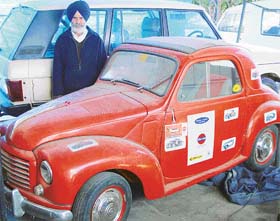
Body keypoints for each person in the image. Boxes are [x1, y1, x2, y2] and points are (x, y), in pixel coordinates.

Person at [52, 0, 107, 97]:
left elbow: (103, 67)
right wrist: (58, 94)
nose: (78, 22)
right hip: (68, 93)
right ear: (70, 19)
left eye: (81, 18)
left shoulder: (96, 40)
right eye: (74, 18)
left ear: (86, 19)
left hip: (91, 92)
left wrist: (101, 91)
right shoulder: (62, 40)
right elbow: (57, 69)